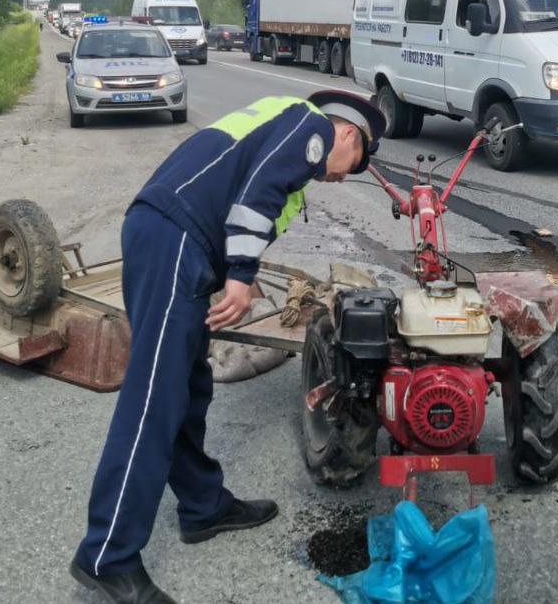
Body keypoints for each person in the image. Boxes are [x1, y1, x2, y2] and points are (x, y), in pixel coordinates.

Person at [70, 90, 386, 604]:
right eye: (355, 164)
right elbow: (255, 194)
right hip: (174, 238)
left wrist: (237, 271)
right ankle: (107, 555)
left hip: (176, 240)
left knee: (189, 388)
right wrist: (240, 278)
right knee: (153, 400)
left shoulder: (286, 131)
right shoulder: (312, 127)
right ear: (348, 134)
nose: (343, 176)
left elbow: (244, 194)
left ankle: (202, 506)